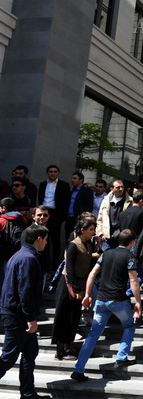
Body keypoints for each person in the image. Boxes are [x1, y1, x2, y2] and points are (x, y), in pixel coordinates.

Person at [70, 229, 142, 382]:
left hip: (101, 300)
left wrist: (88, 295)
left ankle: (78, 369)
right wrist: (139, 302)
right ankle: (121, 358)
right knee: (129, 326)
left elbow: (92, 274)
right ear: (132, 242)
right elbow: (134, 281)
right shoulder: (130, 256)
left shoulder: (106, 254)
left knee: (93, 335)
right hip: (118, 300)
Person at [0, 224, 50, 399]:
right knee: (7, 358)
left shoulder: (19, 256)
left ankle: (28, 393)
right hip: (18, 315)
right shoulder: (28, 258)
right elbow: (25, 290)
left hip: (16, 312)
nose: (46, 243)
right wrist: (30, 317)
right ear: (38, 239)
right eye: (45, 240)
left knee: (30, 353)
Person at [52, 218, 98, 360]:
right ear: (82, 230)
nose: (93, 232)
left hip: (80, 284)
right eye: (90, 229)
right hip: (68, 286)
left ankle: (68, 346)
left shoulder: (88, 245)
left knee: (73, 318)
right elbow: (70, 269)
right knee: (63, 316)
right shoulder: (72, 245)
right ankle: (60, 351)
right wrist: (77, 289)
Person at [38, 165, 70, 270]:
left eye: (55, 172)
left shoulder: (64, 185)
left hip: (56, 214)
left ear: (58, 173)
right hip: (44, 212)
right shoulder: (42, 184)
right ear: (47, 173)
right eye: (51, 171)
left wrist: (62, 216)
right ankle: (43, 263)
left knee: (55, 240)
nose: (53, 173)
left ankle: (55, 265)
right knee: (42, 237)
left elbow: (66, 202)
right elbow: (40, 198)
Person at [96, 179, 133, 251]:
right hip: (107, 237)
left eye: (122, 187)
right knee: (106, 259)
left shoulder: (129, 201)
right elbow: (100, 218)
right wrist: (100, 234)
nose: (121, 189)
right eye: (118, 187)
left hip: (122, 238)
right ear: (111, 189)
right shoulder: (105, 200)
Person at [65, 172, 94, 237]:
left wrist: (83, 217)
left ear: (81, 180)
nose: (72, 180)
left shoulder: (86, 191)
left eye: (75, 178)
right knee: (68, 237)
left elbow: (89, 206)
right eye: (72, 178)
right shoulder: (72, 190)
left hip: (79, 219)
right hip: (69, 218)